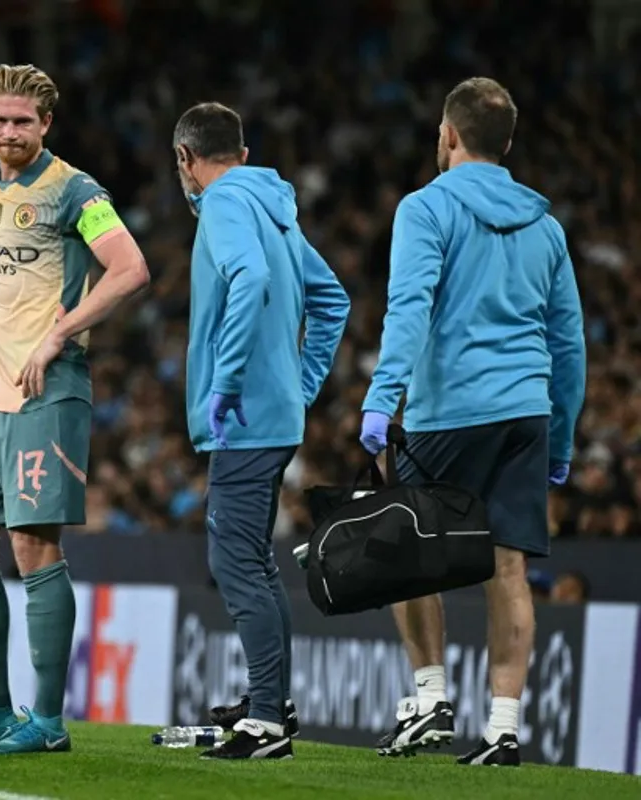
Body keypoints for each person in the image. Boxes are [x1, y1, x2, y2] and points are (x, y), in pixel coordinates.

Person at [0, 64, 150, 755]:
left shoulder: (76, 191)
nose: (10, 132)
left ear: (46, 125)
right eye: (0, 120)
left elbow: (132, 268)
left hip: (44, 393)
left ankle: (47, 721)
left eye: (23, 121)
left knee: (33, 546)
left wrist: (60, 333)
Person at [359, 77, 587, 767]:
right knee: (507, 569)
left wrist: (381, 397)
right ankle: (504, 727)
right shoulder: (546, 227)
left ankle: (430, 701)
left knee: (409, 557)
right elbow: (568, 339)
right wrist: (564, 435)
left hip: (450, 410)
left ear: (449, 136)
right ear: (507, 143)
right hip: (526, 411)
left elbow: (410, 306)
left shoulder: (425, 209)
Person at [174, 102, 350, 760]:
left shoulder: (223, 204)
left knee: (232, 560)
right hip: (273, 415)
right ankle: (271, 701)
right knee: (252, 561)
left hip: (244, 418)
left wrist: (227, 381)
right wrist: (299, 387)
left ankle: (267, 722)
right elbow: (333, 297)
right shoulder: (276, 209)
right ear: (243, 153)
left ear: (187, 160)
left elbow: (247, 278)